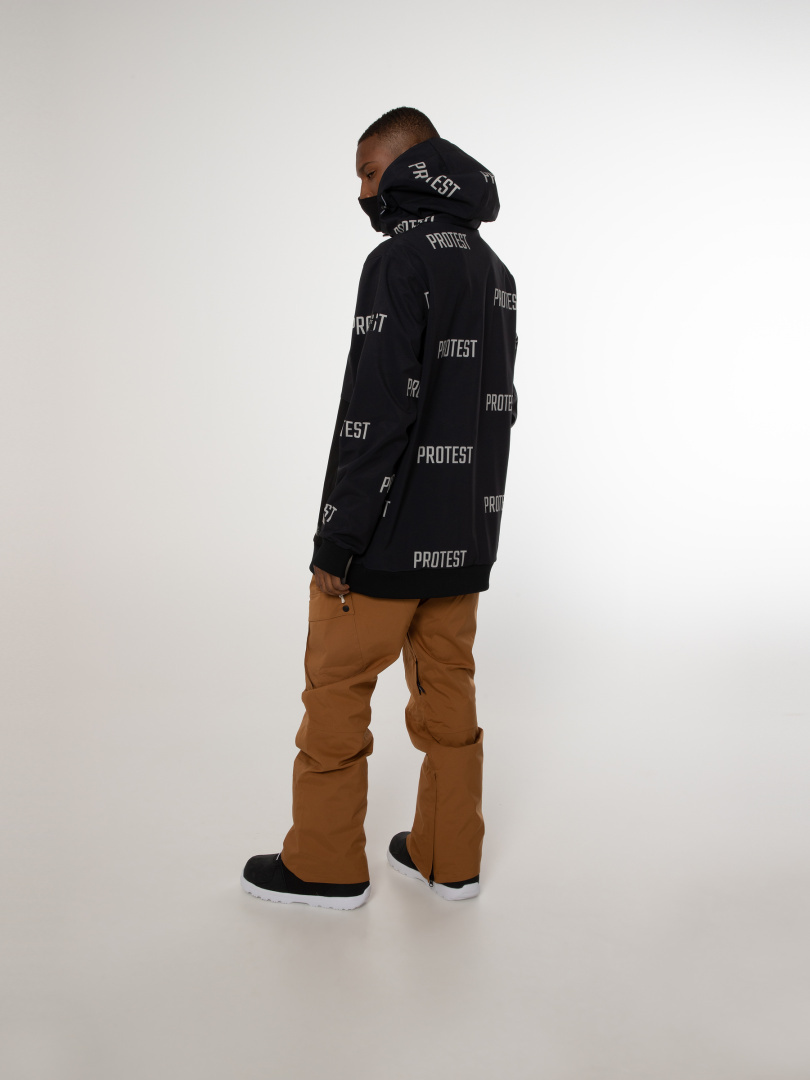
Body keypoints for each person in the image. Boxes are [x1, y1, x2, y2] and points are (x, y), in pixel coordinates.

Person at [241, 106, 518, 910]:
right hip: (461, 539)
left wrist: (339, 538)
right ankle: (448, 857)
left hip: (384, 543)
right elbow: (495, 412)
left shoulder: (397, 261)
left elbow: (378, 409)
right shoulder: (495, 269)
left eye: (369, 173)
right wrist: (477, 535)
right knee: (449, 695)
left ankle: (324, 866)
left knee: (336, 691)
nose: (362, 192)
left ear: (409, 165)